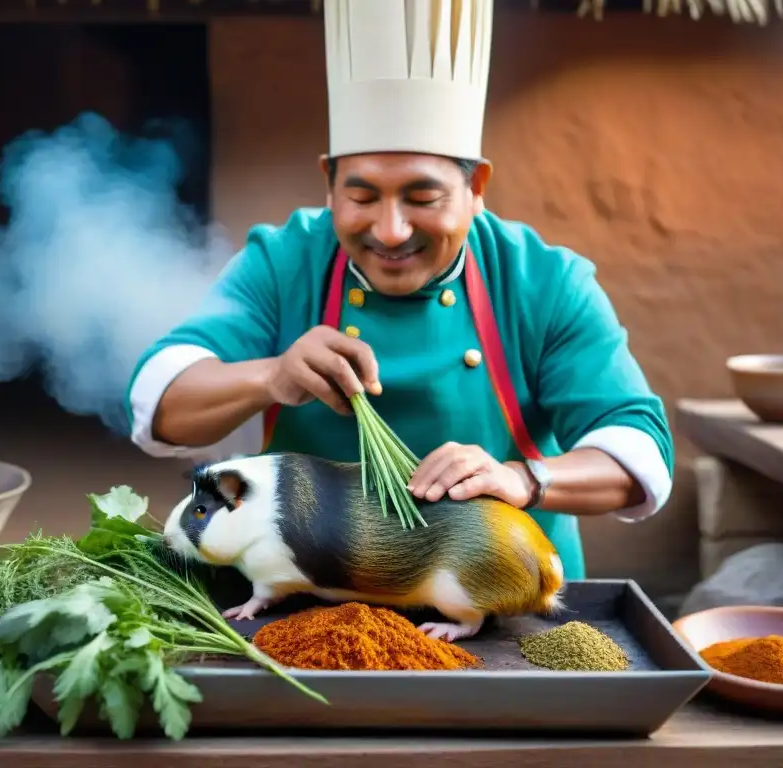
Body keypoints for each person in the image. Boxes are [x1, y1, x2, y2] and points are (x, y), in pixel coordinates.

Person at [125, 0, 673, 581]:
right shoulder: (284, 261)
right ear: (329, 185)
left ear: (476, 186)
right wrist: (273, 376)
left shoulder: (542, 281)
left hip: (497, 604)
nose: (390, 231)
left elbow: (639, 449)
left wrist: (524, 478)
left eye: (422, 197)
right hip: (305, 603)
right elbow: (160, 402)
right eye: (362, 198)